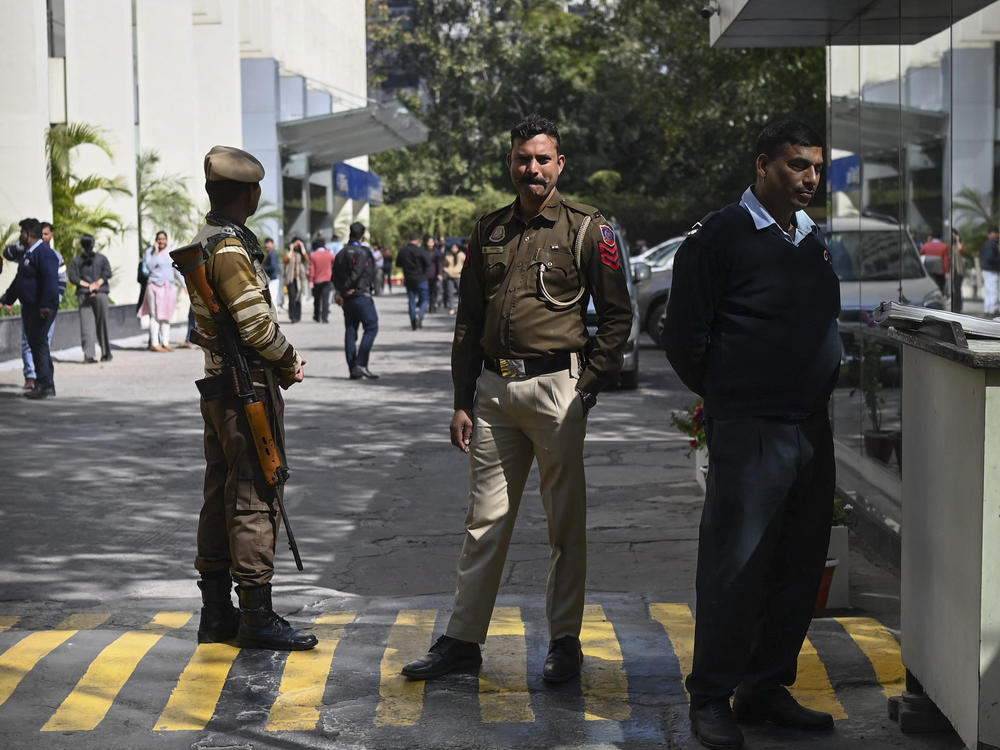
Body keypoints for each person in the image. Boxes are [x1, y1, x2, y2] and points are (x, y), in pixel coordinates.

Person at [401, 114, 632, 684]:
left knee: (563, 524)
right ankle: (462, 641)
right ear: (510, 164)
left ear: (559, 164)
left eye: (542, 159)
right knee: (485, 521)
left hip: (559, 391)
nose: (532, 168)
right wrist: (461, 398)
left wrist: (588, 386)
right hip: (495, 395)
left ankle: (564, 642)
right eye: (522, 159)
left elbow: (618, 316)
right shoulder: (488, 231)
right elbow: (468, 320)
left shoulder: (587, 228)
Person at [663, 120, 840, 750]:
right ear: (763, 166)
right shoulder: (718, 238)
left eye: (817, 168)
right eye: (797, 166)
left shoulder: (812, 239)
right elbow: (683, 338)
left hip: (810, 433)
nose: (810, 179)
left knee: (797, 566)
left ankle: (765, 688)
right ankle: (711, 695)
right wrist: (731, 395)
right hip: (750, 432)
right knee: (734, 568)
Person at [187, 144, 316, 651]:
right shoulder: (230, 249)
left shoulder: (205, 240)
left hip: (219, 386)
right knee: (254, 497)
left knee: (220, 495)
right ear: (250, 193)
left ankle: (217, 614)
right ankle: (256, 616)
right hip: (247, 391)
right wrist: (289, 362)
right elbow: (257, 327)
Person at [1, 218, 61, 399]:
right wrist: (6, 299)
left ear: (27, 234)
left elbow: (51, 281)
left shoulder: (45, 253)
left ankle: (45, 385)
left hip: (40, 308)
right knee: (36, 345)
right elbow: (20, 281)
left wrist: (45, 306)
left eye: (21, 233)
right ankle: (44, 384)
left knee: (39, 345)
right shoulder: (28, 254)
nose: (20, 236)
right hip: (30, 307)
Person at [332, 221, 380, 380]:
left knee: (351, 330)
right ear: (363, 236)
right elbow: (360, 273)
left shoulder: (340, 253)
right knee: (372, 326)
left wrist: (342, 291)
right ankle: (360, 364)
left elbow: (334, 276)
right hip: (360, 295)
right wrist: (349, 288)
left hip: (347, 299)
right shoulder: (363, 252)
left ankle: (353, 367)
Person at [67, 234, 113, 363]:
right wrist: (96, 284)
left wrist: (87, 286)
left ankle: (89, 355)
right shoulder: (102, 258)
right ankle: (106, 354)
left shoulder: (76, 261)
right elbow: (107, 273)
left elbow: (73, 277)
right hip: (101, 293)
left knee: (86, 326)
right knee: (102, 324)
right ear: (93, 244)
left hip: (84, 294)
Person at [139, 230, 183, 351]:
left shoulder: (171, 252)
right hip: (153, 286)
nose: (161, 241)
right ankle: (154, 343)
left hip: (168, 287)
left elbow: (176, 270)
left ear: (167, 240)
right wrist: (156, 252)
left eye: (163, 239)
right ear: (156, 240)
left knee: (166, 316)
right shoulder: (150, 252)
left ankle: (165, 342)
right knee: (155, 315)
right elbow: (150, 266)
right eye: (159, 239)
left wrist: (184, 284)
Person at [396, 232, 431, 329]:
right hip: (421, 278)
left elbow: (398, 264)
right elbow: (428, 263)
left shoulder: (403, 250)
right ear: (418, 240)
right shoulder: (420, 250)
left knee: (411, 301)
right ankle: (420, 315)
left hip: (409, 278)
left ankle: (413, 322)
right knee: (425, 299)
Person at [284, 237, 309, 323]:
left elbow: (306, 259)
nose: (296, 246)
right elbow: (286, 260)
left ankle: (297, 316)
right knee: (292, 297)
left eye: (298, 244)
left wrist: (302, 247)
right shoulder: (289, 252)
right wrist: (291, 248)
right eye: (296, 244)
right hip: (291, 279)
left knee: (298, 297)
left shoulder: (301, 254)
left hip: (300, 279)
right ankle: (292, 316)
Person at [308, 239, 333, 323]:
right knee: (326, 299)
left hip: (317, 280)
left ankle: (317, 316)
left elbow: (312, 269)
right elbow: (334, 260)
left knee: (317, 299)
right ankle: (324, 318)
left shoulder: (313, 255)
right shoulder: (329, 254)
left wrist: (311, 280)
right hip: (327, 279)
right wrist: (328, 249)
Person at [442, 242, 465, 315]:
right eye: (452, 248)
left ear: (458, 248)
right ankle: (451, 308)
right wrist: (446, 270)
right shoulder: (448, 255)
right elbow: (445, 264)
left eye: (455, 248)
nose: (454, 249)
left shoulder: (461, 255)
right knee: (450, 293)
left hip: (458, 276)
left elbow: (466, 263)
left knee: (461, 293)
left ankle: (462, 308)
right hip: (449, 276)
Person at [982, 226, 999, 318]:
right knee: (993, 291)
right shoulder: (991, 244)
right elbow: (989, 257)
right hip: (991, 270)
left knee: (989, 292)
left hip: (987, 270)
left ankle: (987, 311)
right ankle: (993, 311)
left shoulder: (987, 244)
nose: (998, 235)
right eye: (996, 233)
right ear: (991, 234)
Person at [424, 234, 444, 313]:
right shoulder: (423, 251)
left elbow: (439, 263)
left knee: (433, 292)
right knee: (426, 291)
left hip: (433, 274)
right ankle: (425, 305)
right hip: (424, 274)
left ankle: (432, 307)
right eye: (429, 241)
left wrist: (439, 273)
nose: (431, 243)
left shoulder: (436, 252)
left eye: (432, 242)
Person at [951, 228, 968, 313]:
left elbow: (962, 249)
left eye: (953, 234)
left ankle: (958, 307)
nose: (952, 236)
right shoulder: (950, 245)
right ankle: (954, 307)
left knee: (957, 289)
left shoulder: (960, 244)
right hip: (951, 271)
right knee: (953, 289)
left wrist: (957, 240)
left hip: (959, 271)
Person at [262, 237, 281, 305]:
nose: (266, 245)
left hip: (272, 280)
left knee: (272, 300)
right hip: (271, 280)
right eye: (266, 243)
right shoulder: (269, 253)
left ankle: (275, 315)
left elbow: (273, 267)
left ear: (272, 244)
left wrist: (263, 269)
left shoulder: (272, 254)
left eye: (268, 243)